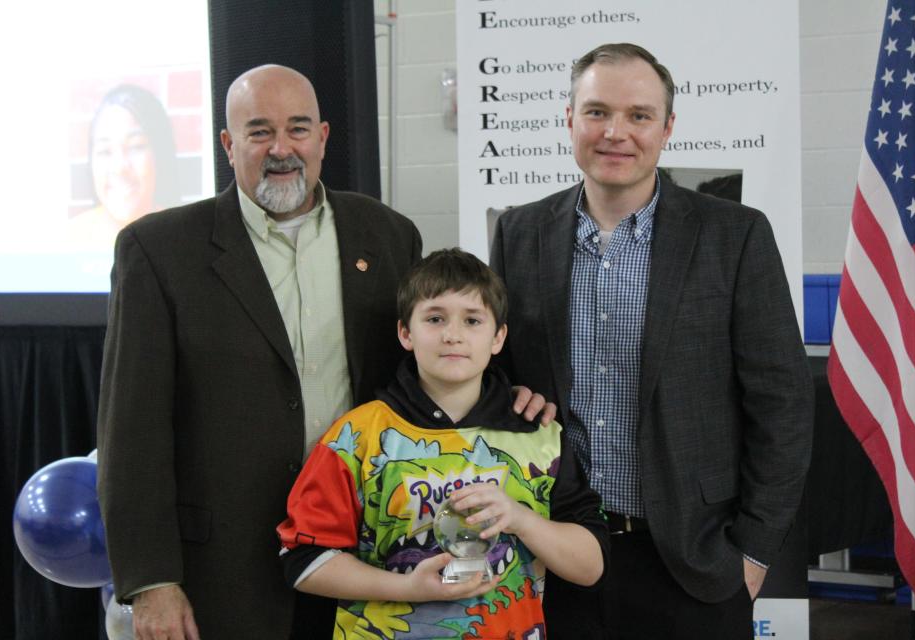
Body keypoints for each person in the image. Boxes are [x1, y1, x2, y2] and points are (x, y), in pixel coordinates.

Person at [97, 64, 552, 640]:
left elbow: (425, 362)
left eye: (299, 128)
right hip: (221, 567)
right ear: (228, 143)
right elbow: (131, 428)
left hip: (368, 561)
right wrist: (151, 580)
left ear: (324, 138)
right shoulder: (159, 249)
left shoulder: (387, 234)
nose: (281, 148)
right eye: (259, 131)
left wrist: (504, 396)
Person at [491, 43, 814, 639]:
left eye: (639, 115)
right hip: (561, 554)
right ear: (569, 120)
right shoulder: (520, 232)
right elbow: (501, 377)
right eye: (596, 112)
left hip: (697, 560)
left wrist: (754, 552)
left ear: (667, 128)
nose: (616, 132)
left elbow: (783, 402)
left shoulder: (733, 234)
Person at [277, 248, 608, 638]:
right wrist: (407, 588)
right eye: (435, 319)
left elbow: (590, 567)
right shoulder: (355, 437)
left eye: (472, 320)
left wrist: (520, 519)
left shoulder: (540, 435)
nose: (453, 335)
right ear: (406, 332)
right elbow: (302, 560)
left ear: (498, 336)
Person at [69, 84, 181, 250]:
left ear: (160, 154)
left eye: (135, 146)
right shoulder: (70, 239)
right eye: (105, 151)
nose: (120, 167)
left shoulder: (182, 236)